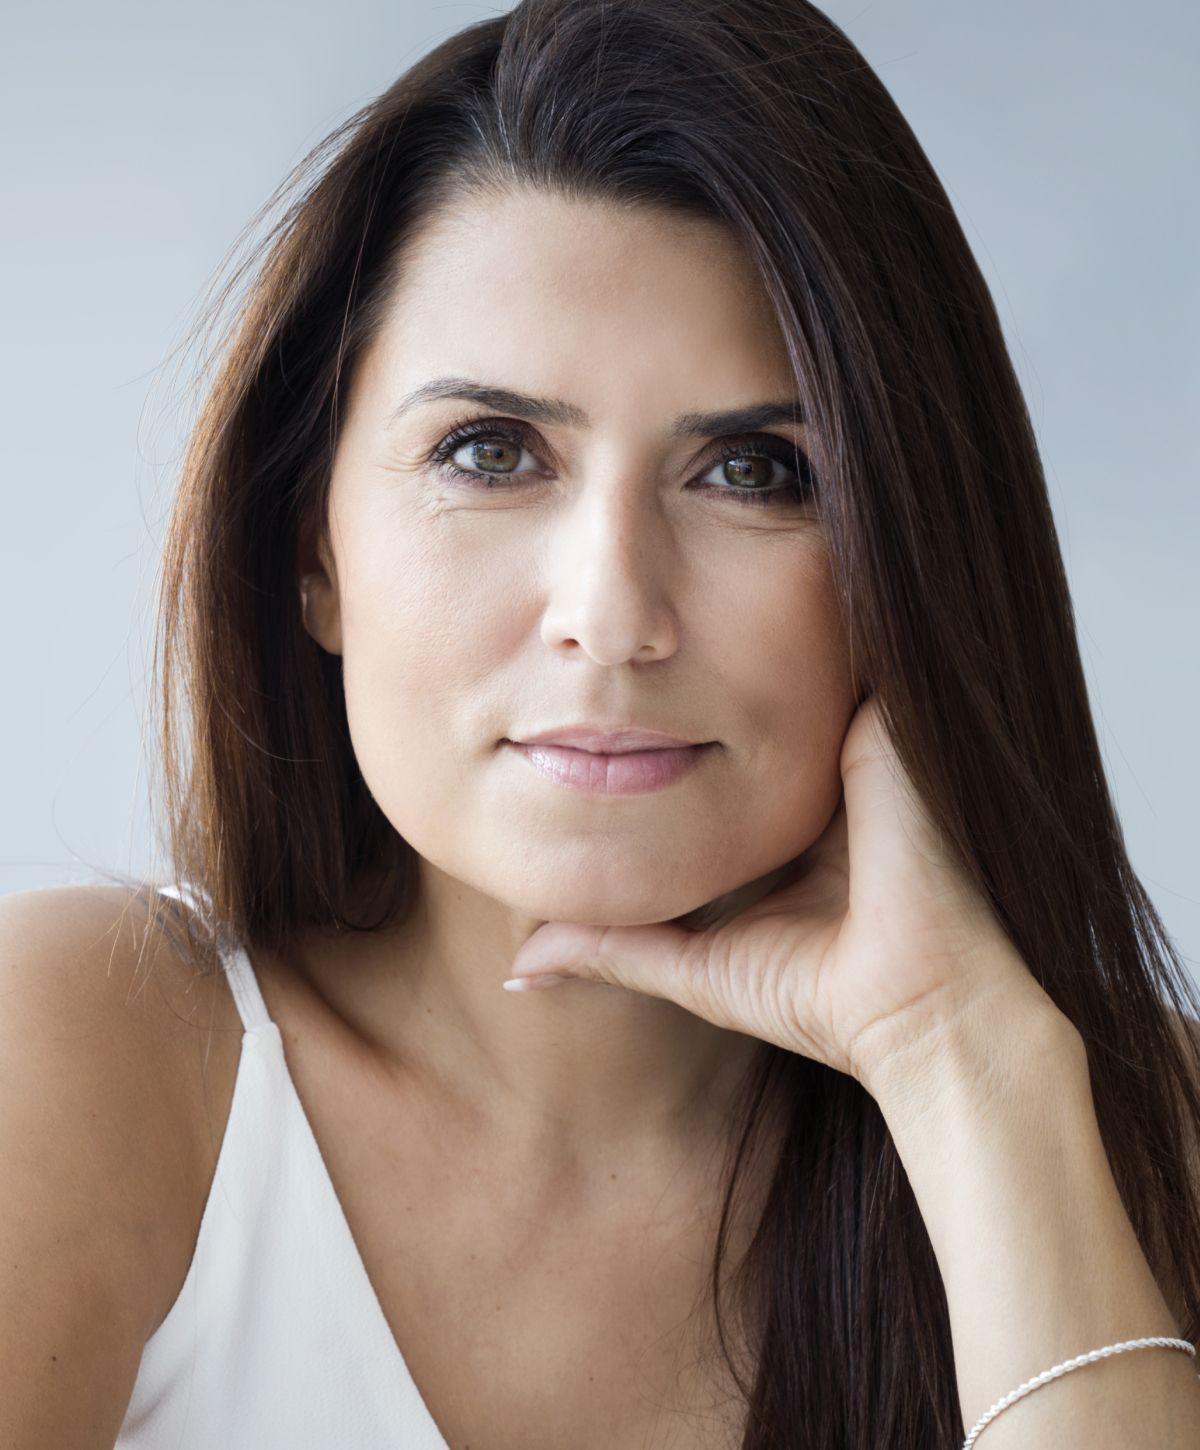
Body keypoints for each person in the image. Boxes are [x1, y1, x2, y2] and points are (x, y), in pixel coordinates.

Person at [3, 2, 1198, 1446]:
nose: (614, 611)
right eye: (490, 452)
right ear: (313, 551)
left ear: (909, 553)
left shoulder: (1123, 1131)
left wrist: (962, 1063)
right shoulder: (88, 1057)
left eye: (756, 470)